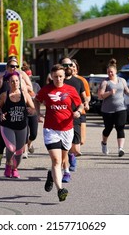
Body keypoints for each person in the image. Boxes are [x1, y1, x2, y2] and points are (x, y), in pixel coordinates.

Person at [35, 64, 83, 202]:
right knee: (56, 160)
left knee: (62, 160)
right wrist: (38, 114)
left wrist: (78, 112)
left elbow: (80, 103)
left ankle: (51, 174)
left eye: (61, 76)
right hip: (51, 129)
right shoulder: (46, 90)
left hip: (67, 129)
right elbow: (37, 100)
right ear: (51, 76)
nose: (58, 79)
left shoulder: (70, 89)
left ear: (64, 76)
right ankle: (60, 190)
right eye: (55, 77)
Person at [0, 56, 33, 167]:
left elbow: (30, 89)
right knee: (3, 136)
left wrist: (24, 88)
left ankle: (16, 158)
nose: (14, 68)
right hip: (3, 110)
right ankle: (0, 155)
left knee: (22, 134)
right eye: (12, 66)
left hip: (19, 110)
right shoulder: (1, 78)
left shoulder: (21, 77)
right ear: (7, 67)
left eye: (16, 66)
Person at [0, 72, 35, 178]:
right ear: (8, 82)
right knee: (11, 148)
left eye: (17, 81)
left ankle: (15, 168)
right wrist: (0, 114)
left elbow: (33, 108)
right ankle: (8, 163)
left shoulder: (25, 95)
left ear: (20, 82)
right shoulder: (4, 95)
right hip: (7, 126)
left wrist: (31, 110)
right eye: (12, 81)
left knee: (19, 152)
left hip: (21, 127)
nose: (15, 83)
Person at [98, 59, 129, 157]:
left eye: (111, 72)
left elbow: (126, 90)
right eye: (108, 72)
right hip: (107, 110)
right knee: (108, 129)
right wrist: (109, 92)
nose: (110, 73)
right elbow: (100, 95)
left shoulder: (122, 81)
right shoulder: (105, 82)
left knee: (120, 127)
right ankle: (104, 143)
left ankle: (120, 149)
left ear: (115, 72)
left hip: (121, 108)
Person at [59, 57, 88, 180]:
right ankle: (65, 170)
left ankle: (71, 155)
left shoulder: (78, 82)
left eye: (70, 65)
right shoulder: (58, 81)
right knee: (63, 145)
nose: (69, 67)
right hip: (61, 116)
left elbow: (83, 96)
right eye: (65, 65)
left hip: (75, 115)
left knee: (76, 147)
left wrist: (85, 103)